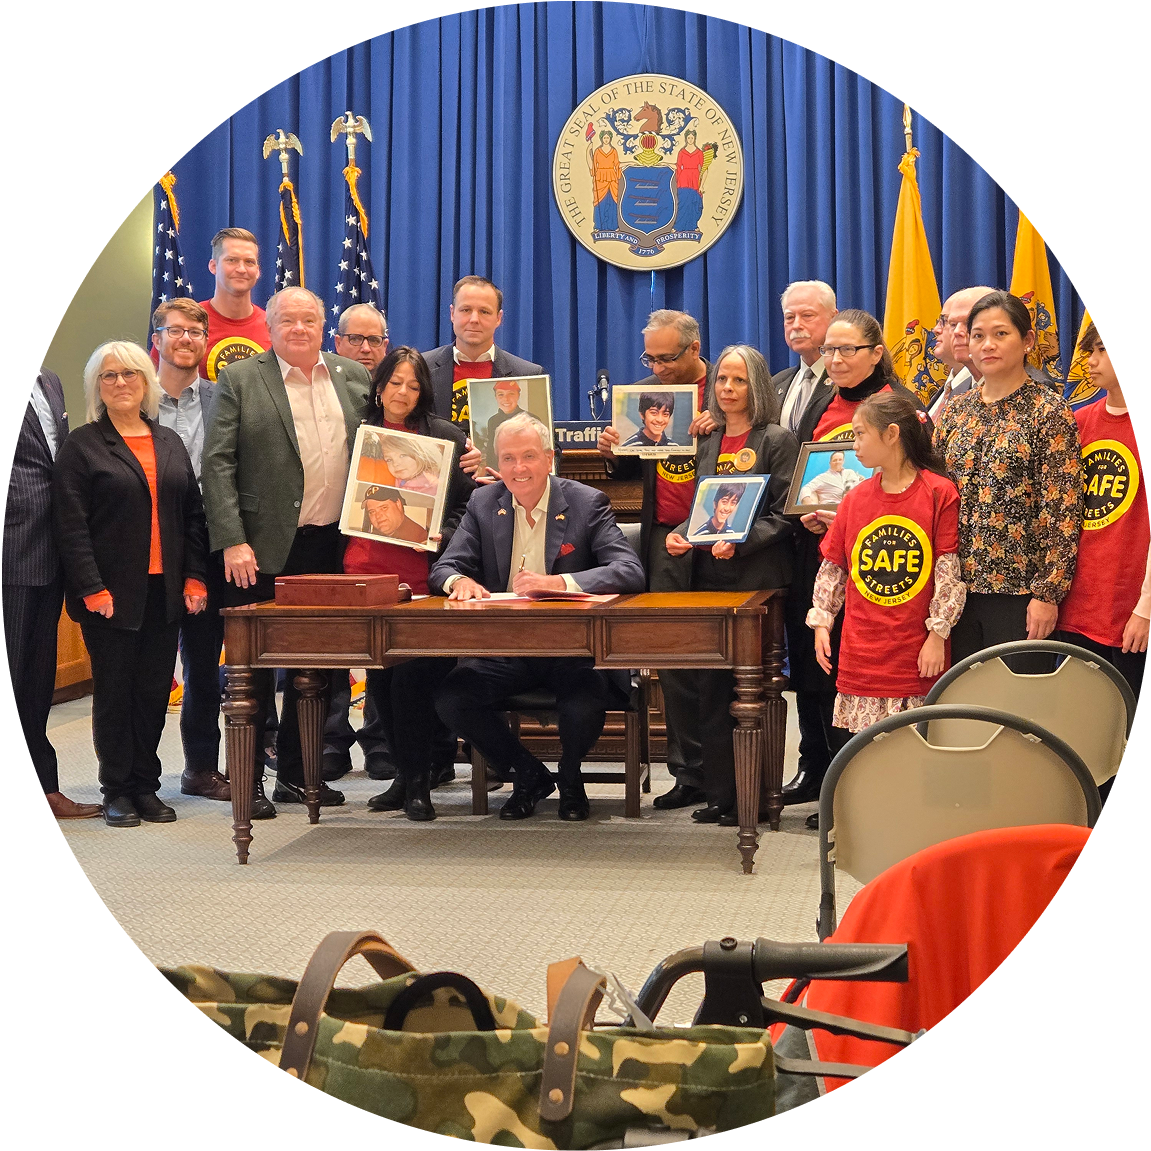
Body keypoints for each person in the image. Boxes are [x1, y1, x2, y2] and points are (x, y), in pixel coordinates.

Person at [201, 286, 371, 815]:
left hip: (331, 547)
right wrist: (232, 539)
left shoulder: (353, 376)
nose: (299, 328)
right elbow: (217, 463)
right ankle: (248, 781)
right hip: (258, 550)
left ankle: (297, 776)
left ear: (323, 327)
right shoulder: (240, 379)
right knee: (251, 674)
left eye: (308, 320)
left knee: (317, 670)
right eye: (287, 320)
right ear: (269, 327)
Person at [430, 414, 646, 821]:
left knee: (583, 700)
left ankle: (571, 776)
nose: (518, 468)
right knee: (452, 698)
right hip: (505, 649)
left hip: (573, 649)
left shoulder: (586, 502)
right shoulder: (483, 502)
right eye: (508, 458)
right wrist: (459, 580)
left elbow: (629, 570)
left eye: (528, 456)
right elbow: (445, 567)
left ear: (549, 458)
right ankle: (527, 774)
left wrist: (559, 583)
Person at [53, 342, 207, 827]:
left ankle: (146, 786)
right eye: (109, 375)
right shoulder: (82, 445)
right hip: (110, 596)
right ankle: (117, 789)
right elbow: (70, 525)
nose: (121, 383)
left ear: (146, 382)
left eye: (130, 374)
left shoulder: (169, 441)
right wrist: (91, 587)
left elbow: (193, 516)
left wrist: (196, 576)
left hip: (166, 592)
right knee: (116, 694)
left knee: (153, 693)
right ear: (96, 387)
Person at [783, 308, 929, 810]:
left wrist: (851, 520)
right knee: (812, 664)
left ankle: (854, 785)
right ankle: (814, 767)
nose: (836, 359)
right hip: (817, 551)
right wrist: (807, 513)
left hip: (878, 560)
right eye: (829, 350)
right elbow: (802, 477)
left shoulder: (900, 406)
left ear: (876, 353)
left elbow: (918, 485)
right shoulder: (820, 402)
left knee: (857, 669)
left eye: (848, 349)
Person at [807, 391, 965, 826]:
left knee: (916, 748)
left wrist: (937, 634)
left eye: (860, 435)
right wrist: (822, 621)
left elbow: (947, 570)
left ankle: (914, 830)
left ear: (891, 434)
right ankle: (869, 828)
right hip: (863, 647)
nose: (853, 445)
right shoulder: (856, 499)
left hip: (913, 647)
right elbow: (835, 567)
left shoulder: (938, 493)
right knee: (864, 753)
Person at [664, 345, 798, 827]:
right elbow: (705, 508)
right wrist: (683, 534)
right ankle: (722, 795)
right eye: (722, 379)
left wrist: (740, 543)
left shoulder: (777, 439)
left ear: (756, 385)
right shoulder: (709, 439)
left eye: (739, 380)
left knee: (753, 694)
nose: (727, 388)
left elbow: (785, 514)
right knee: (712, 689)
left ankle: (756, 798)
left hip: (756, 580)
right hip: (708, 578)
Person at [346, 346, 474, 820]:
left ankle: (419, 782)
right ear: (379, 386)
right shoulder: (356, 433)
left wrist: (443, 532)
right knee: (380, 684)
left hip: (420, 576)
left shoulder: (446, 437)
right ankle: (403, 777)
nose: (403, 392)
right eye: (395, 382)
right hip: (365, 572)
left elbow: (467, 505)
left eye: (414, 385)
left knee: (413, 684)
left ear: (424, 393)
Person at [597, 309, 716, 810]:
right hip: (665, 538)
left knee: (722, 659)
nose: (658, 368)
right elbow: (630, 468)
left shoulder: (728, 388)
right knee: (674, 660)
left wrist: (721, 426)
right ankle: (688, 774)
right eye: (651, 358)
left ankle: (729, 773)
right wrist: (612, 451)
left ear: (695, 349)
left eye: (667, 358)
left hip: (720, 537)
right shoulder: (642, 394)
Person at [935, 291, 1082, 671]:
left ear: (1027, 340)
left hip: (1020, 592)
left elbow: (1062, 509)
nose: (987, 345)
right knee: (960, 699)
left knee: (1015, 700)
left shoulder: (1048, 411)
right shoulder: (956, 410)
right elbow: (932, 491)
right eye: (978, 335)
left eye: (1000, 334)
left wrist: (1047, 593)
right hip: (954, 591)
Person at [6, 369, 102, 820]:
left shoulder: (50, 381)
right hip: (10, 551)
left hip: (50, 553)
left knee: (36, 683)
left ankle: (46, 787)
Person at [151, 298, 231, 802]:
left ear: (206, 341)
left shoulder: (224, 398)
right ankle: (136, 772)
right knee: (150, 665)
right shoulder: (133, 399)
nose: (186, 339)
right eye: (175, 330)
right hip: (152, 545)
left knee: (204, 665)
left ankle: (201, 768)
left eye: (195, 332)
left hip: (213, 545)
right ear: (156, 339)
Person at [1055, 321, 1148, 705]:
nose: (1091, 361)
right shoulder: (1078, 423)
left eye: (1101, 351)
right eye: (1089, 351)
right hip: (1078, 604)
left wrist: (1146, 609)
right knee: (1078, 716)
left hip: (1130, 606)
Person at [422, 275, 543, 432]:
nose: (474, 319)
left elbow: (546, 443)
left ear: (498, 318)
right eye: (466, 310)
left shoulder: (529, 376)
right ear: (452, 313)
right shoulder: (422, 368)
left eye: (484, 312)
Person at [772, 281, 837, 442]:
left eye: (807, 316)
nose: (796, 325)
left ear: (834, 318)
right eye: (789, 317)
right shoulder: (776, 383)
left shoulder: (847, 380)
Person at [332, 303, 390, 375]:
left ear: (384, 346)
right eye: (355, 339)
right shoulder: (323, 381)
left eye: (374, 340)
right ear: (338, 344)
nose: (366, 349)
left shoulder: (396, 381)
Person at [481, 379, 529, 464]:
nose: (506, 399)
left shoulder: (531, 419)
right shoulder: (492, 421)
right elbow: (491, 451)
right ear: (496, 397)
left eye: (511, 394)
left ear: (518, 396)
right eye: (501, 394)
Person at [359, 485, 429, 542]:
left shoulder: (418, 539)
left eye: (384, 508)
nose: (378, 516)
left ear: (398, 504)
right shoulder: (374, 535)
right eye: (372, 512)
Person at [797, 450, 865, 505]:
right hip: (829, 508)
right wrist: (807, 501)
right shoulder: (823, 477)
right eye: (835, 460)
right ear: (830, 463)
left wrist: (862, 481)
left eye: (840, 460)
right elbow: (807, 488)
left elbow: (858, 485)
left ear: (843, 461)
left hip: (850, 506)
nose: (837, 462)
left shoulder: (850, 472)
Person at [590, 130, 623, 231]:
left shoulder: (614, 151)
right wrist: (593, 172)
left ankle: (613, 225)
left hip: (612, 178)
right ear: (601, 139)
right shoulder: (597, 151)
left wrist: (621, 172)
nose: (606, 140)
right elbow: (594, 164)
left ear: (610, 139)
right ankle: (598, 226)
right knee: (600, 202)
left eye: (607, 138)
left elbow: (617, 164)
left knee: (612, 201)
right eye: (604, 138)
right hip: (600, 178)